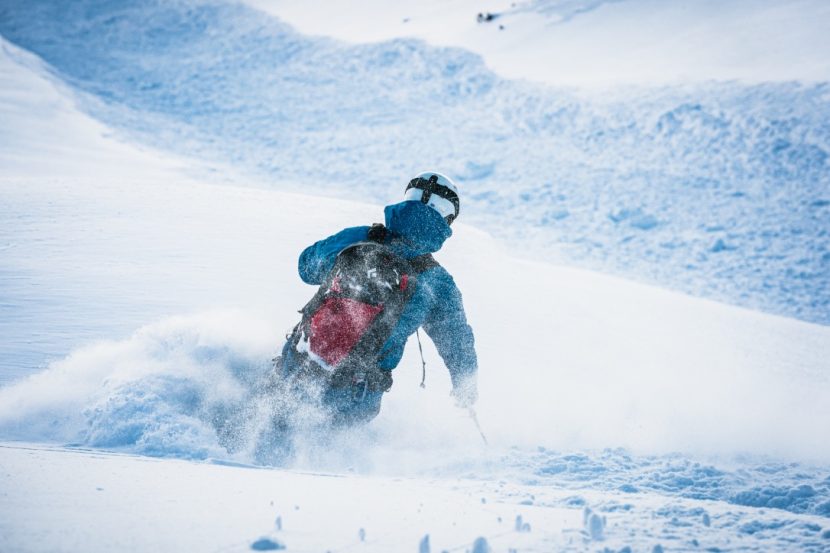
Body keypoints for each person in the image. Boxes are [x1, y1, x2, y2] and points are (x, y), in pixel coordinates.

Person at [273, 171, 479, 428]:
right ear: (446, 221)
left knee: (268, 418)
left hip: (299, 363)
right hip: (356, 393)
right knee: (322, 453)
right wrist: (465, 387)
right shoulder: (437, 281)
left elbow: (306, 268)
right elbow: (457, 340)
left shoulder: (360, 236)